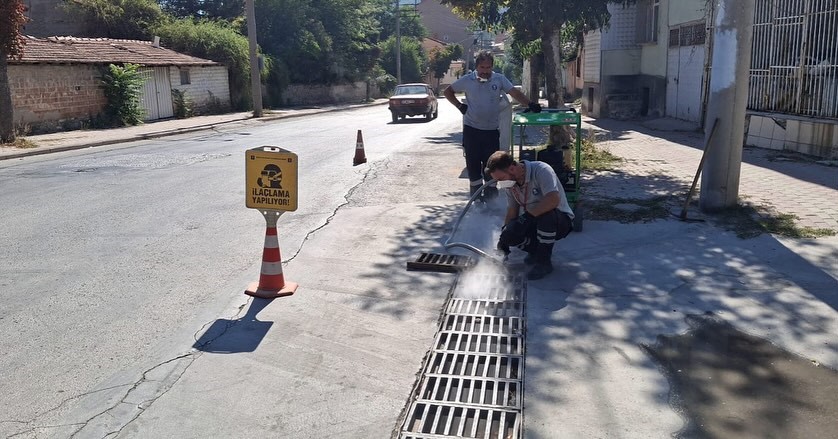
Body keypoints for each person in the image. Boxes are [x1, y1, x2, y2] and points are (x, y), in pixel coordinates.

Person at [444, 50, 542, 201]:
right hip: (472, 131)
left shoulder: (499, 79)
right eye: (482, 68)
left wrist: (530, 103)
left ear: (492, 67)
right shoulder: (467, 80)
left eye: (488, 68)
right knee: (474, 168)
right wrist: (459, 106)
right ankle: (476, 202)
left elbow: (514, 92)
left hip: (491, 132)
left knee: (492, 168)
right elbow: (448, 92)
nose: (485, 71)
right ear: (477, 67)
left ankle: (491, 203)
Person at [485, 150, 574, 280]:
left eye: (501, 179)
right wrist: (503, 239)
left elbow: (553, 199)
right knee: (509, 233)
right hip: (532, 220)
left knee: (546, 216)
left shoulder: (541, 170)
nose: (500, 183)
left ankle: (544, 262)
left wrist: (527, 217)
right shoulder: (511, 184)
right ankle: (536, 251)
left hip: (559, 220)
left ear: (512, 168)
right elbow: (512, 210)